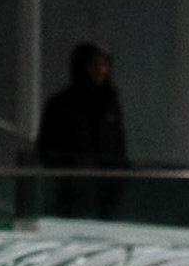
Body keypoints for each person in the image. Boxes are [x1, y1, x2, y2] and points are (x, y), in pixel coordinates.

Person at [35, 42, 129, 218]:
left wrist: (119, 177)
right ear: (82, 66)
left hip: (106, 197)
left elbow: (118, 145)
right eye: (94, 64)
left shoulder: (110, 105)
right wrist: (70, 175)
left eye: (104, 64)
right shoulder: (60, 105)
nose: (101, 70)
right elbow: (47, 148)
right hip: (72, 195)